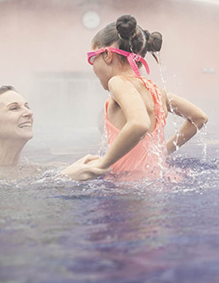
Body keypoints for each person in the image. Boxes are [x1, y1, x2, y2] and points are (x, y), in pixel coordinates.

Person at [84, 14, 208, 180]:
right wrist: (163, 152)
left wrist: (103, 163)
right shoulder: (157, 91)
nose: (93, 67)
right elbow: (199, 118)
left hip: (127, 185)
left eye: (92, 58)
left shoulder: (118, 82)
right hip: (158, 178)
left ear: (107, 55)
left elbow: (139, 123)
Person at [0, 85, 109, 182]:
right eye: (14, 108)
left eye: (27, 106)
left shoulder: (44, 168)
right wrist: (62, 179)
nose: (29, 112)